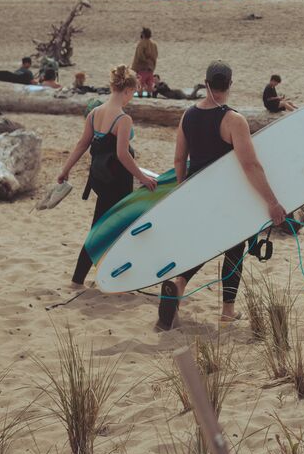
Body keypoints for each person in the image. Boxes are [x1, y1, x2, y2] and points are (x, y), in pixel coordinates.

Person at [160, 61, 288, 330]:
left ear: (206, 84)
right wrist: (272, 202)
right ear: (230, 85)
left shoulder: (188, 116)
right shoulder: (233, 120)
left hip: (196, 191)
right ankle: (228, 310)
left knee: (202, 243)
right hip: (225, 196)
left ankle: (179, 283)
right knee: (234, 247)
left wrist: (184, 192)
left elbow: (179, 159)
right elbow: (250, 165)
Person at [59, 65, 158, 288]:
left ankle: (81, 278)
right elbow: (123, 155)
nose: (131, 98)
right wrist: (142, 177)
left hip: (100, 181)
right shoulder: (122, 119)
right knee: (113, 230)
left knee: (103, 227)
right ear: (127, 90)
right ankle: (98, 278)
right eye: (132, 93)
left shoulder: (95, 113)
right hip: (118, 182)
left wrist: (65, 169)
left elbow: (81, 144)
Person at [132, 28, 159, 96]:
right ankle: (149, 95)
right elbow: (155, 55)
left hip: (142, 68)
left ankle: (140, 96)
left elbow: (140, 55)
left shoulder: (141, 43)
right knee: (149, 84)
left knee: (140, 83)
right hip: (150, 68)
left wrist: (144, 62)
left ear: (143, 35)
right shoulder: (154, 44)